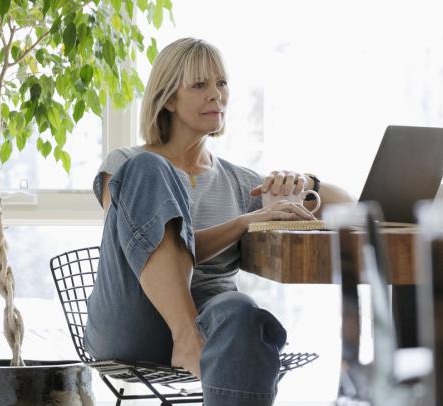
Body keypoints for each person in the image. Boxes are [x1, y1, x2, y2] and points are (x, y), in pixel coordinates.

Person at [85, 37, 353, 405]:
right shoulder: (125, 166)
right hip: (134, 319)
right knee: (151, 168)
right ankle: (185, 336)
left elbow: (349, 210)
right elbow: (145, 238)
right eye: (199, 85)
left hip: (215, 323)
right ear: (168, 98)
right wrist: (243, 223)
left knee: (242, 312)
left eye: (221, 83)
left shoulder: (241, 182)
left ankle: (194, 338)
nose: (217, 95)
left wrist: (304, 182)